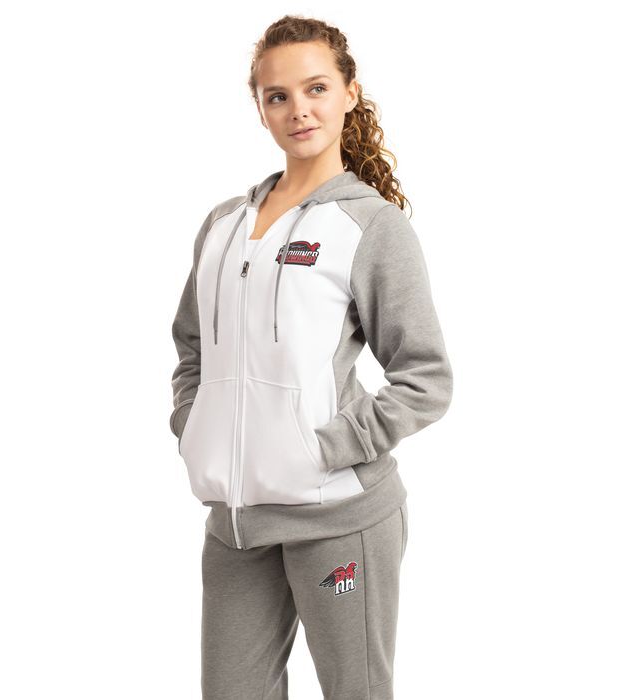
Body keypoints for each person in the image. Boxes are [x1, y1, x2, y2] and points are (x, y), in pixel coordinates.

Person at [169, 14, 453, 700]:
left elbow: (426, 376)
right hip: (236, 524)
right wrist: (193, 425)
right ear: (260, 107)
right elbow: (191, 346)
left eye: (316, 88)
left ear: (350, 93)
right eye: (278, 95)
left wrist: (329, 447)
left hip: (339, 518)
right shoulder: (223, 225)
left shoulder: (370, 225)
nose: (299, 109)